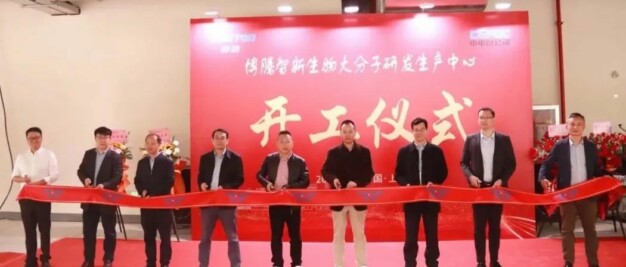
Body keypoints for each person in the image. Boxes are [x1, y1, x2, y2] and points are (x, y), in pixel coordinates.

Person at [538, 112, 602, 267]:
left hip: (587, 195)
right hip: (567, 195)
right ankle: (568, 262)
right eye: (572, 124)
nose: (575, 127)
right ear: (567, 126)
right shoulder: (560, 146)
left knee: (590, 231)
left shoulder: (591, 147)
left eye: (579, 124)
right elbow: (546, 164)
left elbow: (597, 171)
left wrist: (607, 179)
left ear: (584, 127)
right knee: (567, 230)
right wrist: (542, 178)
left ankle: (593, 263)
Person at [460, 107, 516, 267]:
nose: (483, 120)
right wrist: (470, 176)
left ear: (493, 119)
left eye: (487, 117)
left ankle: (494, 261)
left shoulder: (504, 140)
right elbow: (463, 162)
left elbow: (511, 164)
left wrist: (502, 180)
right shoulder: (471, 139)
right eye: (481, 118)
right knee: (479, 229)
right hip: (478, 190)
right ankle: (480, 262)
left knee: (494, 228)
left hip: (497, 190)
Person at [394, 118, 448, 267]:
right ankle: (410, 263)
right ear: (412, 131)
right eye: (415, 130)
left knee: (432, 235)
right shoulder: (404, 152)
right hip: (411, 201)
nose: (418, 132)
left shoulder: (436, 151)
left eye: (421, 129)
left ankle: (432, 262)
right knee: (410, 236)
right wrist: (407, 184)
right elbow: (398, 174)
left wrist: (434, 183)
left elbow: (443, 172)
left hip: (430, 200)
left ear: (426, 130)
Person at [321, 119, 374, 267]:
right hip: (338, 199)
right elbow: (325, 171)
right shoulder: (333, 152)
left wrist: (356, 183)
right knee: (338, 236)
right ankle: (338, 265)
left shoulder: (364, 152)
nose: (348, 134)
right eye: (344, 132)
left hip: (358, 200)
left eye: (350, 131)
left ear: (355, 132)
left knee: (359, 236)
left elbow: (369, 174)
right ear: (340, 133)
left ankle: (362, 264)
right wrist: (334, 180)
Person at [257, 130, 310, 267]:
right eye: (281, 141)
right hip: (275, 202)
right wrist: (267, 184)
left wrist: (290, 187)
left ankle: (297, 263)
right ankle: (277, 263)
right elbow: (259, 175)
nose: (284, 144)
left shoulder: (300, 161)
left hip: (292, 203)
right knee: (276, 236)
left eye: (287, 141)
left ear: (292, 143)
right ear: (276, 144)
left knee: (295, 236)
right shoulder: (270, 159)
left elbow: (305, 181)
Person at [11, 127, 59, 267]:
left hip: (43, 197)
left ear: (41, 138)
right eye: (31, 138)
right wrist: (23, 180)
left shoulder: (49, 155)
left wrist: (40, 182)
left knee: (44, 230)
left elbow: (55, 175)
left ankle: (45, 259)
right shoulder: (21, 156)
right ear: (27, 140)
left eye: (37, 137)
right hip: (25, 198)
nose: (34, 141)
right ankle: (31, 259)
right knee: (29, 230)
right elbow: (14, 176)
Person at [197, 128, 244, 267]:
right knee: (204, 238)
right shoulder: (205, 158)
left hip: (227, 203)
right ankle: (203, 264)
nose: (219, 140)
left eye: (222, 138)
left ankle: (236, 264)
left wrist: (225, 188)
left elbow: (239, 179)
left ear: (227, 140)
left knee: (232, 238)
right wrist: (202, 184)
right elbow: (200, 177)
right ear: (212, 140)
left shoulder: (235, 158)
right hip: (208, 202)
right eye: (216, 138)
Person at [77, 126, 123, 267]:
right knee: (88, 232)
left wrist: (104, 185)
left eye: (105, 137)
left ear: (110, 139)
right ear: (95, 139)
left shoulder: (115, 156)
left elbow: (117, 177)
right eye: (99, 137)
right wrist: (85, 179)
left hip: (106, 199)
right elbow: (81, 170)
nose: (102, 140)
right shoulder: (89, 153)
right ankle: (88, 260)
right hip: (90, 199)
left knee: (109, 232)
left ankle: (108, 259)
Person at [134, 134, 175, 267]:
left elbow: (169, 182)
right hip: (147, 206)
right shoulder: (142, 162)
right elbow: (137, 180)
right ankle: (150, 262)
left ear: (159, 145)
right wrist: (142, 191)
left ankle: (164, 263)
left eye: (153, 143)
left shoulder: (167, 162)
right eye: (147, 143)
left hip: (163, 206)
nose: (150, 146)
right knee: (148, 237)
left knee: (165, 238)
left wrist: (153, 194)